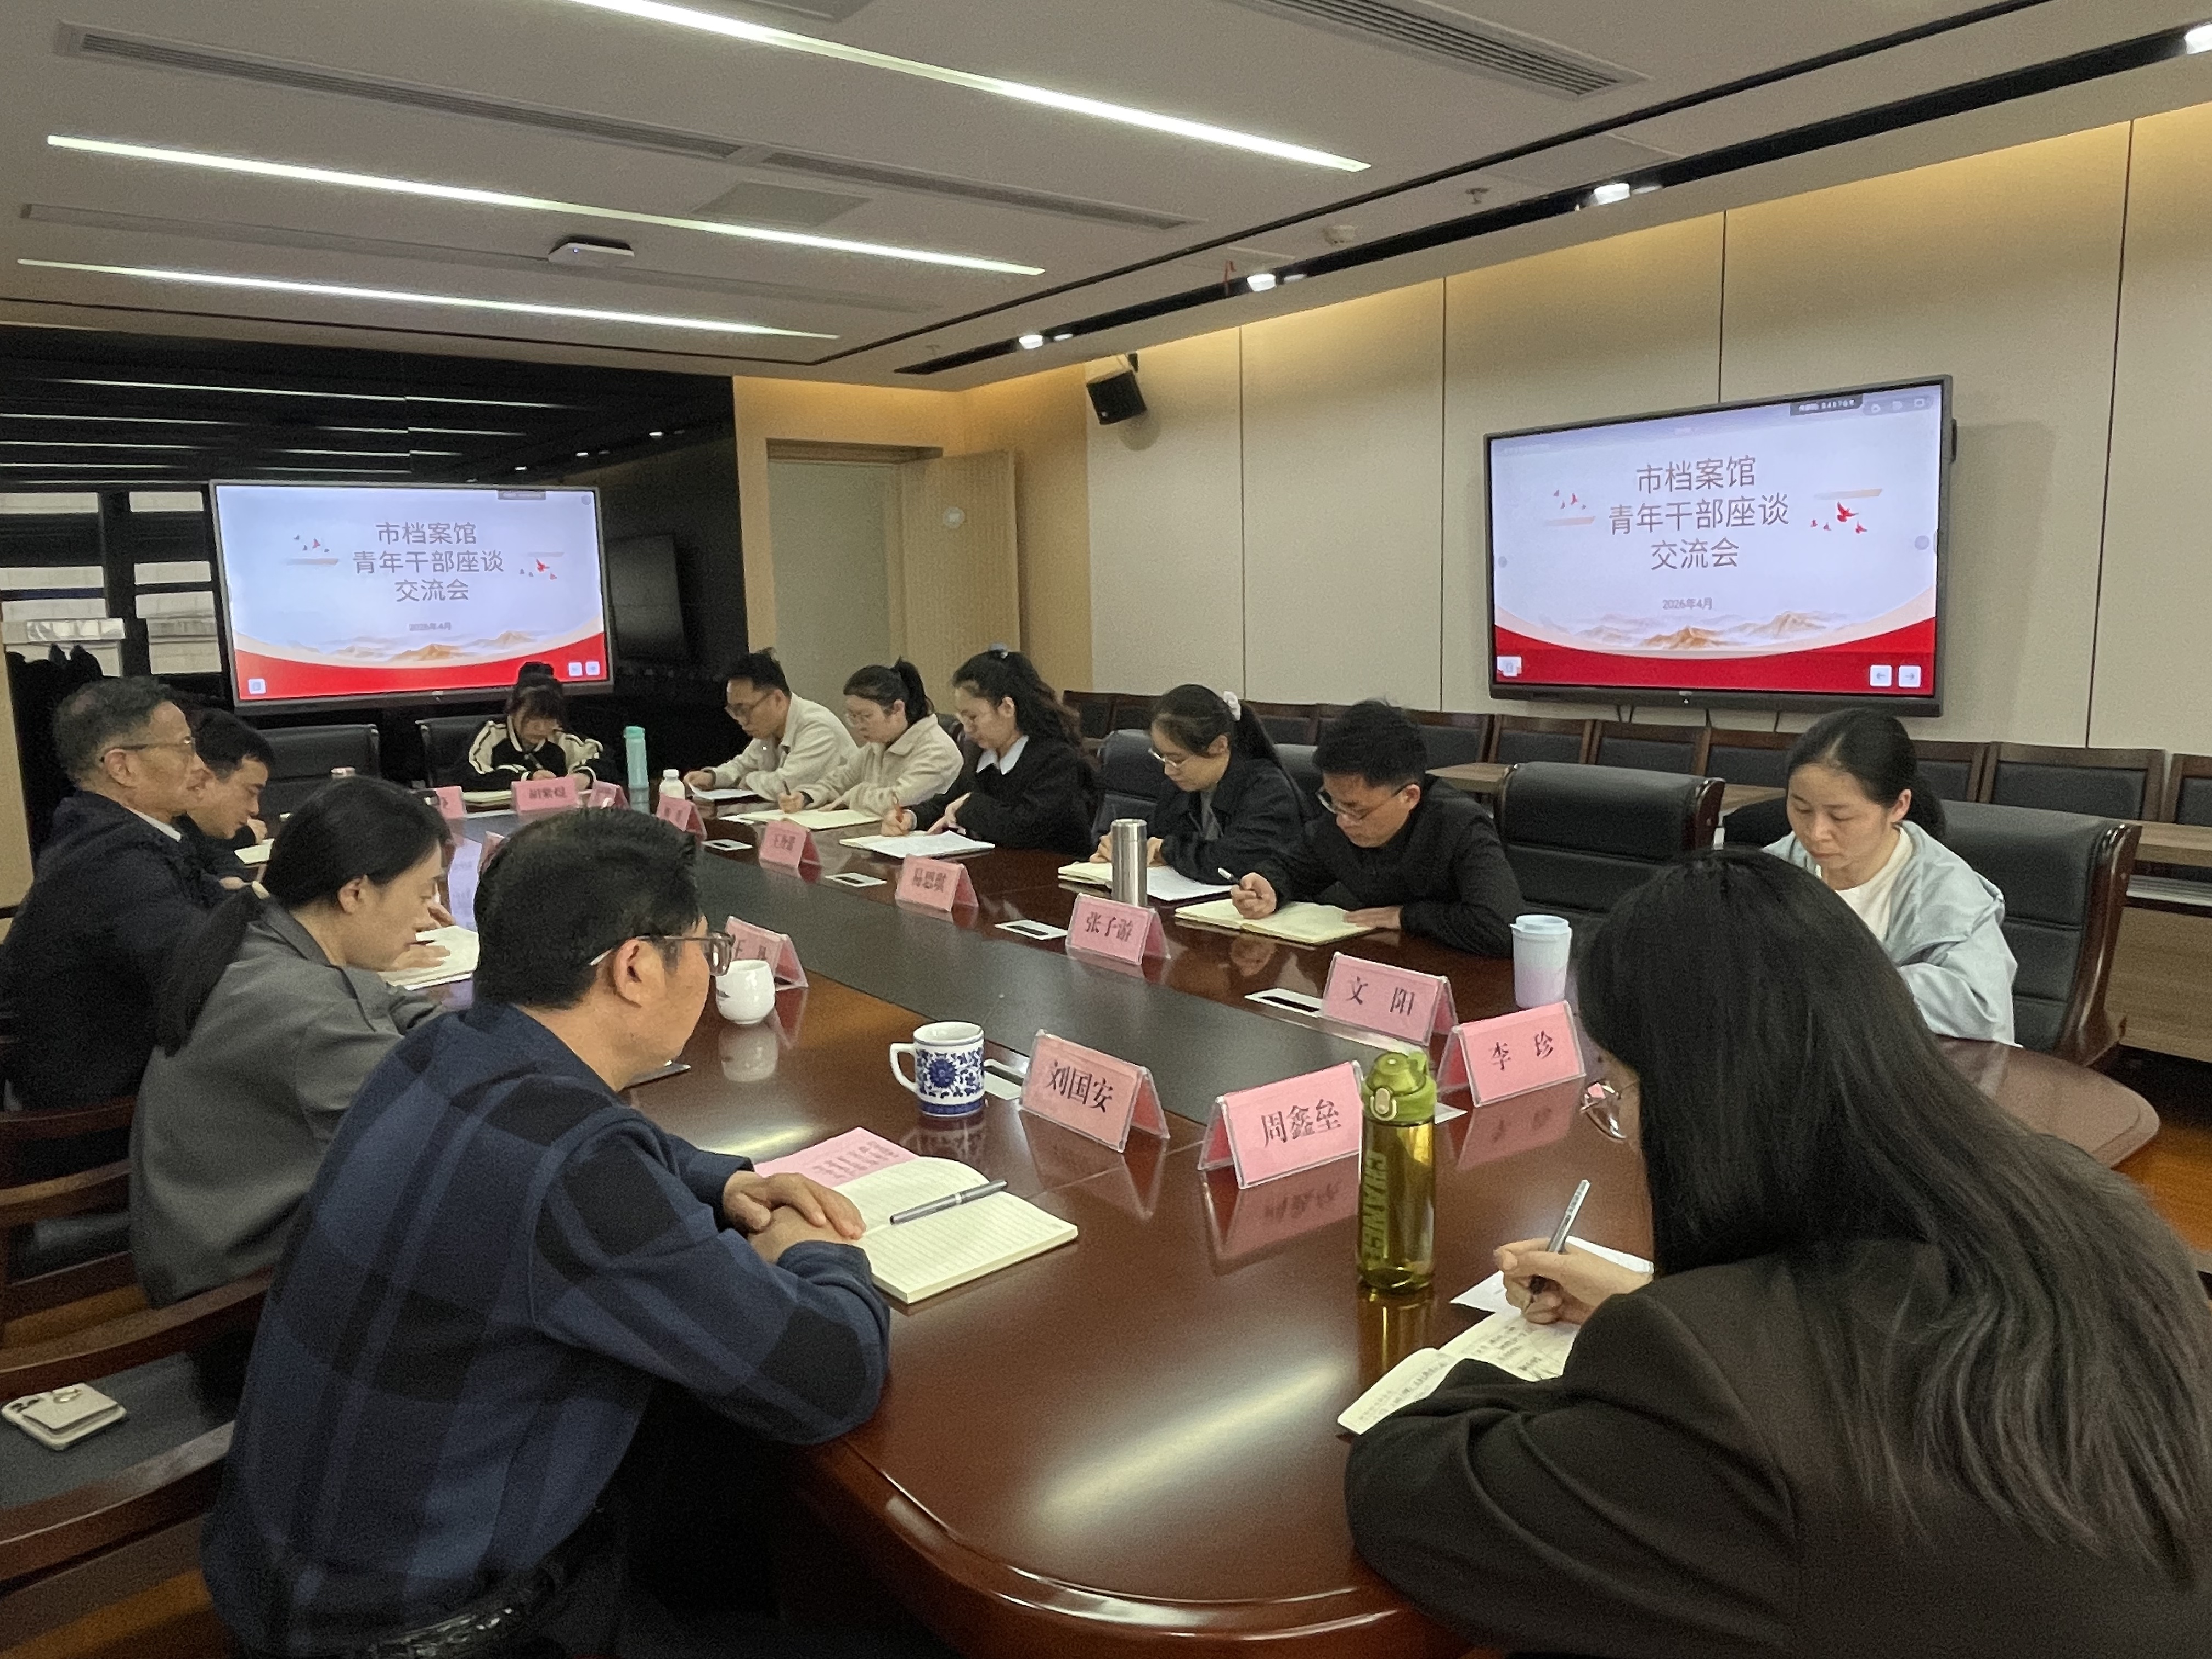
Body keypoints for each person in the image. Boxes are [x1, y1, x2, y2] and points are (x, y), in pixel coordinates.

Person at [1345, 850, 2212, 1656]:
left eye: (1619, 1088)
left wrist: (1646, 1340)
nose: (1620, 1119)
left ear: (1702, 1107)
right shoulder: (2089, 1209)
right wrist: (1652, 1303)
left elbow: (1408, 1490)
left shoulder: (1709, 1380)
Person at [201, 810, 891, 1659]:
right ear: (635, 967)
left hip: (301, 1579)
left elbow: (582, 1153)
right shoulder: (576, 1174)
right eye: (705, 950)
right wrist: (818, 1250)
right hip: (438, 1630)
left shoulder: (441, 1049)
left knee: (699, 1469)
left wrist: (726, 1183)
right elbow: (829, 1380)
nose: (710, 973)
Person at [132, 778, 452, 1308]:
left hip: (216, 1231)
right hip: (242, 1292)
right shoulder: (306, 1011)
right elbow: (439, 1126)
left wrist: (468, 1040)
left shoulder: (268, 934)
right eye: (423, 893)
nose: (428, 916)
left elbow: (385, 1002)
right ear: (355, 893)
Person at [0, 678, 228, 1117]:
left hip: (137, 1080)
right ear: (122, 767)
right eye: (184, 747)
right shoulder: (111, 859)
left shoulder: (116, 832)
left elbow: (220, 910)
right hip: (97, 1119)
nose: (201, 766)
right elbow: (202, 966)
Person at [1767, 707, 2016, 1041]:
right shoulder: (1775, 867)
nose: (1815, 833)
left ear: (1899, 806)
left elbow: (1983, 1008)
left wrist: (1839, 983)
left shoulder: (1948, 892)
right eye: (1801, 809)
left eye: (1840, 817)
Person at [1233, 700, 1521, 954]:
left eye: (1357, 809)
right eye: (1332, 801)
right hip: (1372, 964)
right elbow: (1293, 868)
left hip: (1454, 973)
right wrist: (1268, 886)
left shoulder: (1460, 826)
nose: (1342, 820)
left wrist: (1405, 916)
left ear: (1409, 796)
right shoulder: (1340, 819)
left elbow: (1501, 926)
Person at [893, 648, 1100, 856]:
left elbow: (1023, 828)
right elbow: (948, 802)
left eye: (973, 718)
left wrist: (970, 806)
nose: (967, 729)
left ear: (1007, 708)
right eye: (963, 719)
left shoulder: (1056, 759)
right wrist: (911, 817)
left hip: (1051, 869)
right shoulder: (982, 755)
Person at [1088, 684, 1302, 882]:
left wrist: (1168, 851)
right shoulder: (1180, 787)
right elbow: (1159, 833)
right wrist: (1126, 845)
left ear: (1219, 745)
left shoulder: (1267, 789)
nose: (1168, 770)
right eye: (1162, 757)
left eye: (1177, 759)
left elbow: (1237, 861)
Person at [779, 660, 962, 819]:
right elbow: (842, 779)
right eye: (853, 717)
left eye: (865, 716)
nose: (858, 725)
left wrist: (854, 795)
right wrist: (806, 796)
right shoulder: (879, 743)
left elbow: (898, 800)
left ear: (897, 709)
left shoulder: (937, 751)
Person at [683, 650, 855, 799]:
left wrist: (746, 780)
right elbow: (743, 765)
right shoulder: (769, 730)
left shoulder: (818, 727)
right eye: (734, 711)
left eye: (744, 709)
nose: (741, 720)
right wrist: (712, 778)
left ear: (777, 699)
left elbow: (785, 786)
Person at [177, 709, 275, 884]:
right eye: (251, 792)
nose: (255, 809)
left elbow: (217, 856)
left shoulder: (190, 833)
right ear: (202, 779)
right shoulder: (153, 847)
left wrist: (230, 880)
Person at [463, 667, 602, 789]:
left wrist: (586, 775)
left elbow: (604, 759)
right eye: (532, 718)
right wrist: (526, 779)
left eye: (549, 719)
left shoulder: (561, 737)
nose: (541, 728)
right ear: (513, 710)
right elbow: (467, 775)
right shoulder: (492, 732)